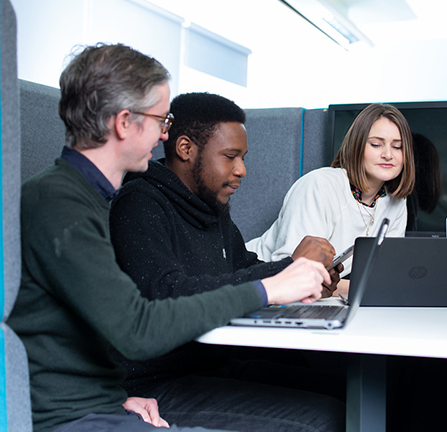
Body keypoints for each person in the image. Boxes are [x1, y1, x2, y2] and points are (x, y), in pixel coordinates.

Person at [7, 43, 332, 432]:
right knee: (319, 421)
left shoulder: (87, 197)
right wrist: (268, 288)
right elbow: (139, 328)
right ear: (124, 123)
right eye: (161, 120)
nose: (165, 134)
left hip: (104, 402)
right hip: (73, 417)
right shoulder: (61, 203)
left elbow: (88, 334)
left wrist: (116, 398)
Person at [107, 92, 345, 431]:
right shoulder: (140, 204)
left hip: (215, 363)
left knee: (348, 387)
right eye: (230, 156)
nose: (242, 170)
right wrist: (287, 271)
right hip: (157, 383)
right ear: (186, 149)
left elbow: (243, 268)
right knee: (326, 418)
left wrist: (306, 283)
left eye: (243, 157)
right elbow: (165, 293)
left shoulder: (208, 206)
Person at [246, 103, 415, 294]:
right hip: (254, 283)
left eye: (397, 147)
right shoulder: (318, 185)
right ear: (357, 146)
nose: (388, 155)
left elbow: (383, 273)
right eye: (376, 144)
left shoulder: (396, 202)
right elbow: (293, 273)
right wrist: (374, 290)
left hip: (321, 294)